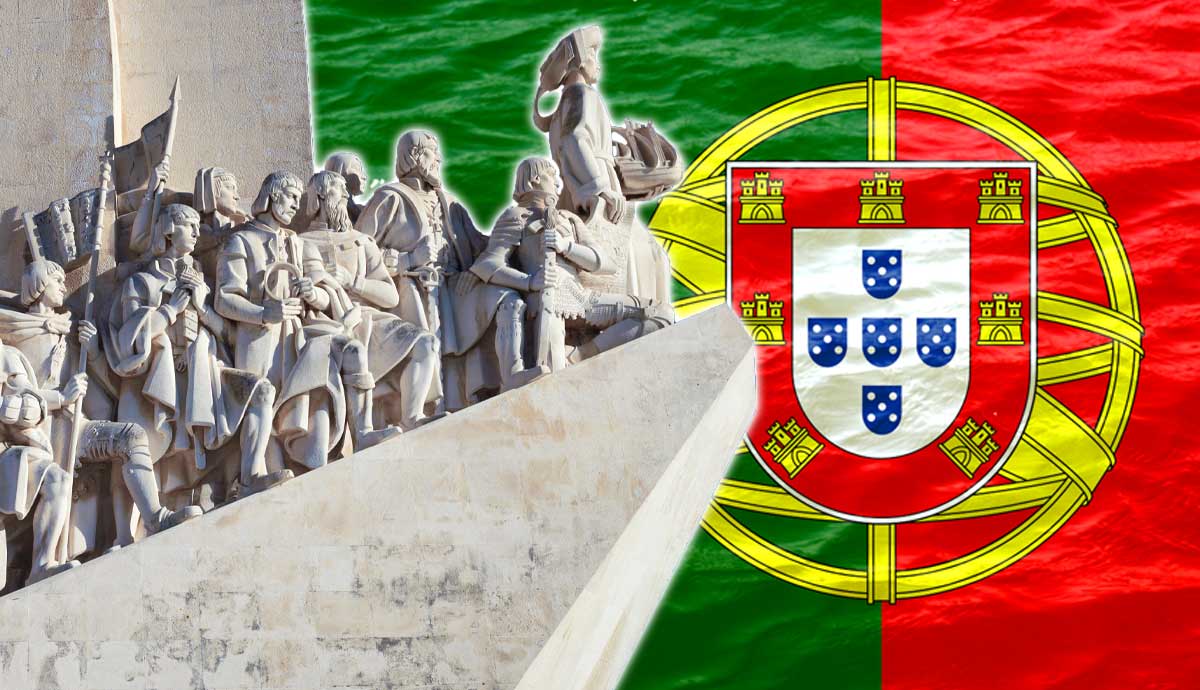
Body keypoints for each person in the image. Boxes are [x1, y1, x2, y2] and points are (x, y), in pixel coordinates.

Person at [1, 260, 202, 555]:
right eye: (57, 282)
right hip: (41, 436)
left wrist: (92, 350)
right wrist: (60, 398)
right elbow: (14, 401)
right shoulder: (14, 339)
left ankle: (156, 518)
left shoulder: (68, 332)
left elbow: (104, 387)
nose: (63, 287)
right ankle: (42, 564)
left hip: (76, 427)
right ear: (40, 286)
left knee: (132, 437)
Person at [216, 172, 401, 472]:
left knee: (334, 365)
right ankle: (255, 475)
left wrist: (313, 294)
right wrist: (263, 313)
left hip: (295, 335)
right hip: (258, 337)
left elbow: (326, 294)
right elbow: (225, 298)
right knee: (263, 401)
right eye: (289, 197)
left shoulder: (297, 244)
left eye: (299, 198)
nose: (296, 205)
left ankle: (362, 432)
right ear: (272, 196)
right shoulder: (242, 241)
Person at [106, 204, 285, 499]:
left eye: (197, 225)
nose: (196, 232)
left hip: (208, 374)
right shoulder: (141, 283)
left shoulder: (202, 281)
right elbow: (129, 339)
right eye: (188, 225)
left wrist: (203, 306)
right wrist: (168, 310)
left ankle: (252, 476)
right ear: (168, 230)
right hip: (161, 378)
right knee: (144, 455)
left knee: (262, 391)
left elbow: (229, 336)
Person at [357, 131, 537, 409]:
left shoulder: (449, 201)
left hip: (457, 289)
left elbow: (481, 246)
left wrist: (519, 226)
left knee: (508, 300)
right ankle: (429, 411)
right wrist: (407, 261)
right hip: (415, 291)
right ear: (416, 156)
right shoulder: (389, 198)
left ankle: (512, 373)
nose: (439, 157)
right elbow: (358, 252)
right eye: (432, 151)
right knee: (434, 360)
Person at [472, 157, 670, 370]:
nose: (558, 183)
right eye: (551, 176)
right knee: (551, 373)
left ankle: (579, 355)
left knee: (660, 314)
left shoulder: (568, 218)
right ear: (534, 180)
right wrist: (530, 282)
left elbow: (605, 264)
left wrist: (566, 246)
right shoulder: (516, 216)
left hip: (580, 298)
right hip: (545, 301)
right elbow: (488, 264)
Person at [533, 26, 676, 317]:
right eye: (594, 55)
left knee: (643, 251)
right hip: (593, 191)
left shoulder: (565, 104)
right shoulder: (582, 95)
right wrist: (598, 187)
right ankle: (643, 319)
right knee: (648, 253)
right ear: (580, 61)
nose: (598, 63)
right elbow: (575, 140)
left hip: (581, 188)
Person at [301, 171, 439, 430]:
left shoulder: (362, 242)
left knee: (425, 343)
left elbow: (390, 295)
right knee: (353, 353)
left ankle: (412, 416)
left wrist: (354, 282)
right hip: (326, 322)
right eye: (338, 189)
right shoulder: (300, 243)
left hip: (369, 318)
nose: (345, 195)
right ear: (320, 195)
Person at [0, 342, 77, 587]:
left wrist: (31, 406)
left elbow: (26, 393)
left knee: (57, 480)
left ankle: (42, 566)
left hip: (5, 453)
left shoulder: (5, 356)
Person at [323, 152, 369, 223]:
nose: (364, 177)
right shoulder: (329, 213)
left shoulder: (362, 211)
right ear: (339, 170)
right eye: (356, 168)